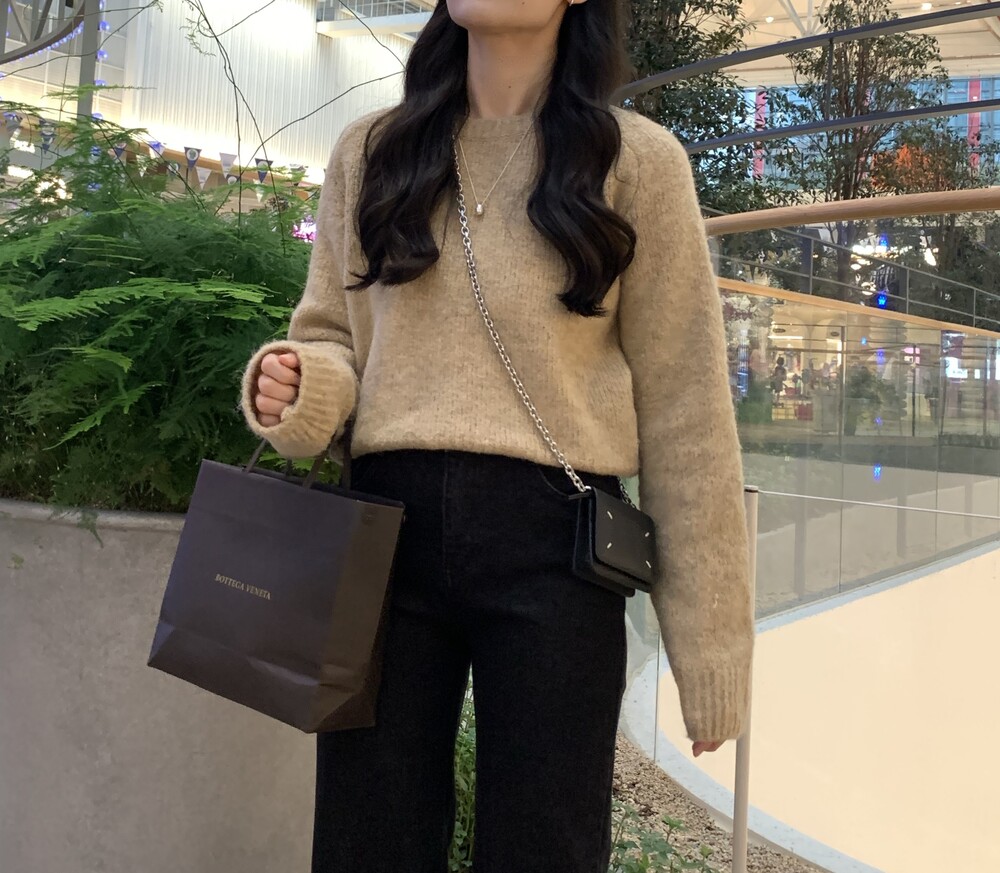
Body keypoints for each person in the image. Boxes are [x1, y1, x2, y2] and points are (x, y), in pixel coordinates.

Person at [241, 0, 753, 869]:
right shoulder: (373, 151)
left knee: (546, 843)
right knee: (366, 839)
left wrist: (710, 647)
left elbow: (686, 410)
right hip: (383, 539)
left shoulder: (634, 163)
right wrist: (300, 386)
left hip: (559, 546)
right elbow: (330, 334)